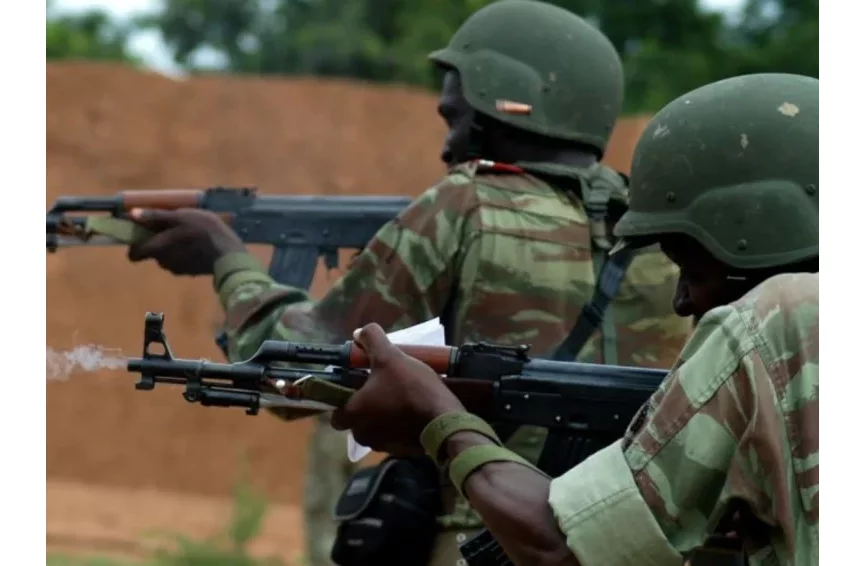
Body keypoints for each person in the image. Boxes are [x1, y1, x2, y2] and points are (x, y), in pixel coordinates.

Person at [125, 2, 691, 565]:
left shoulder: (466, 202)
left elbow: (302, 361)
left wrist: (226, 259)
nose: (447, 147)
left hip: (490, 544)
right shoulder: (668, 233)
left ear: (505, 104)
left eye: (455, 118)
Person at [327, 72, 819, 566]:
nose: (682, 302)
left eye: (690, 264)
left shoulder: (779, 319)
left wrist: (438, 415)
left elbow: (563, 549)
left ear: (763, 228)